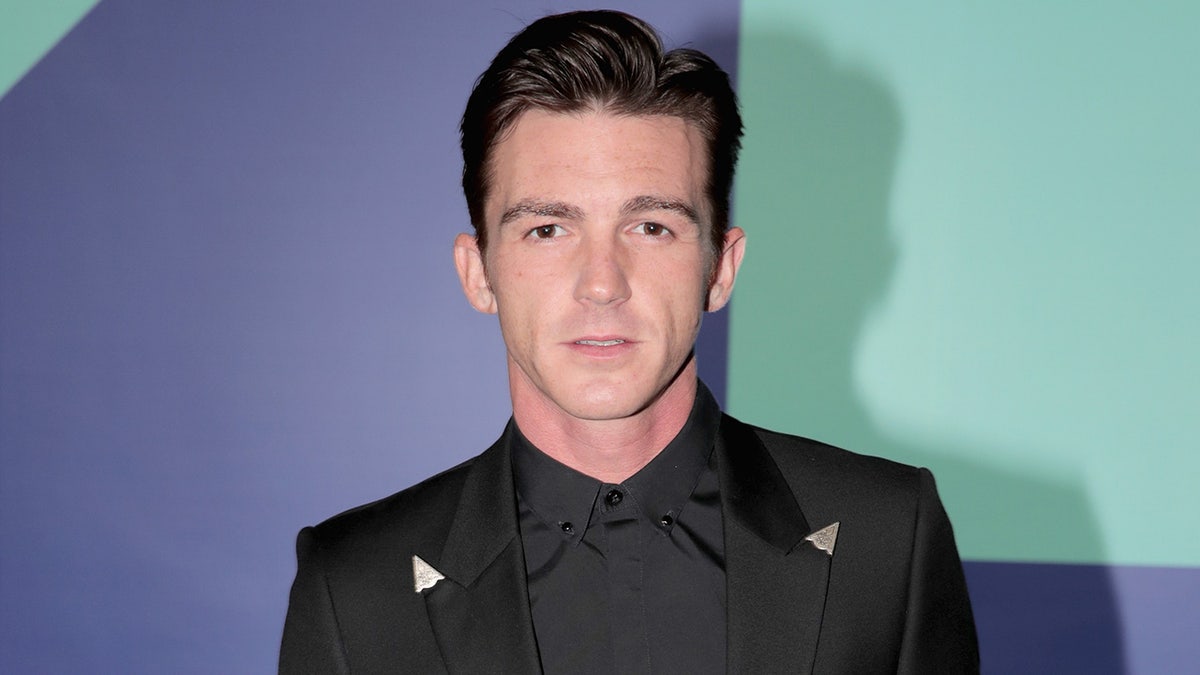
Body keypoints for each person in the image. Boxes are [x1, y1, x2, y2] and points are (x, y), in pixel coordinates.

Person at [279, 9, 978, 674]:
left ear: (720, 268)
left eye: (651, 227)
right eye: (547, 229)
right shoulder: (354, 589)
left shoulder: (888, 539)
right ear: (478, 272)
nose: (602, 283)